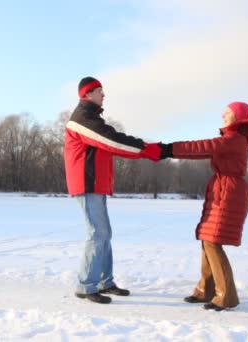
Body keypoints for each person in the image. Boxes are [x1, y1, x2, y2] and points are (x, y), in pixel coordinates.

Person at [65, 76, 162, 304]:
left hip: (95, 184)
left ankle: (104, 282)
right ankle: (86, 285)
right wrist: (146, 149)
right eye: (99, 90)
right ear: (86, 94)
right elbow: (112, 141)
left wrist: (144, 149)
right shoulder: (81, 119)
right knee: (97, 234)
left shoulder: (91, 117)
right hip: (87, 184)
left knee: (104, 234)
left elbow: (110, 143)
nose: (103, 94)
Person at [161, 102, 248, 311]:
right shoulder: (234, 138)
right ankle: (206, 290)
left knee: (212, 241)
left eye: (228, 112)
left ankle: (226, 296)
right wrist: (168, 151)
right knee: (208, 239)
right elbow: (203, 150)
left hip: (228, 193)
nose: (223, 114)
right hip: (223, 190)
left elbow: (202, 147)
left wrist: (167, 149)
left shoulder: (234, 139)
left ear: (239, 117)